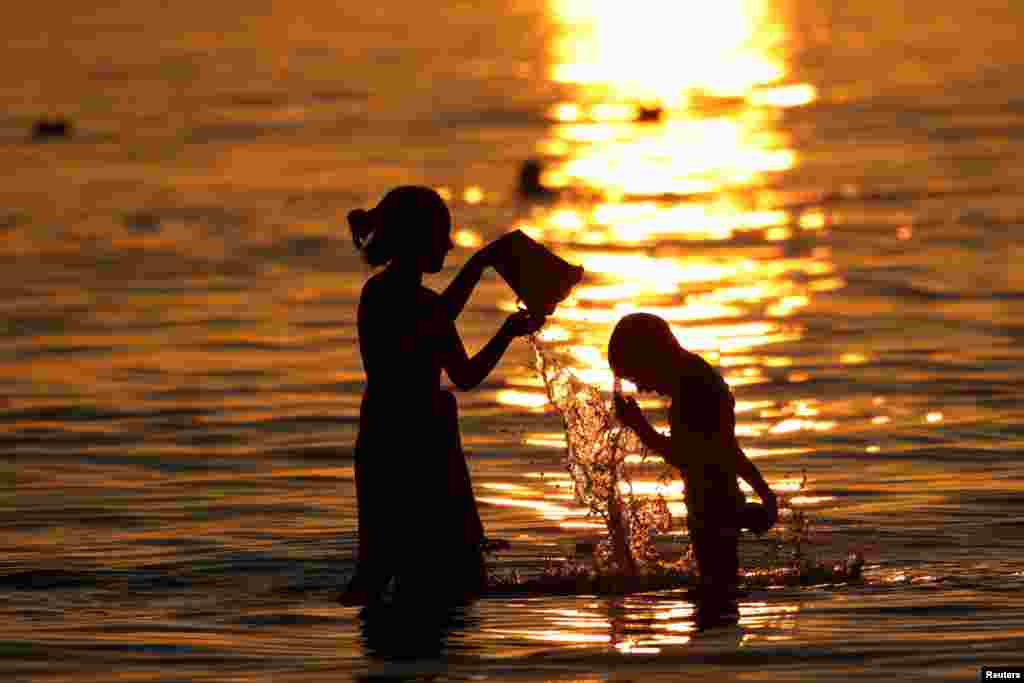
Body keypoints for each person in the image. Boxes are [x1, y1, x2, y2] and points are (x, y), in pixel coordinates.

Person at [341, 186, 542, 606]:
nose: (448, 245)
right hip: (421, 446)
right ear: (418, 239)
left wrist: (480, 263)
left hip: (381, 436)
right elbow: (465, 375)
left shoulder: (376, 295)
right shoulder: (422, 305)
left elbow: (433, 317)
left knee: (378, 564)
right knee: (454, 568)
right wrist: (506, 333)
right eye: (441, 236)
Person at [607, 313, 778, 601]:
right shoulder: (700, 379)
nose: (641, 389)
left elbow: (688, 457)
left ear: (653, 356)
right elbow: (726, 447)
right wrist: (764, 492)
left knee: (716, 596)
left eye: (637, 376)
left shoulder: (694, 389)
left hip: (713, 508)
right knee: (720, 594)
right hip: (717, 503)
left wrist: (639, 426)